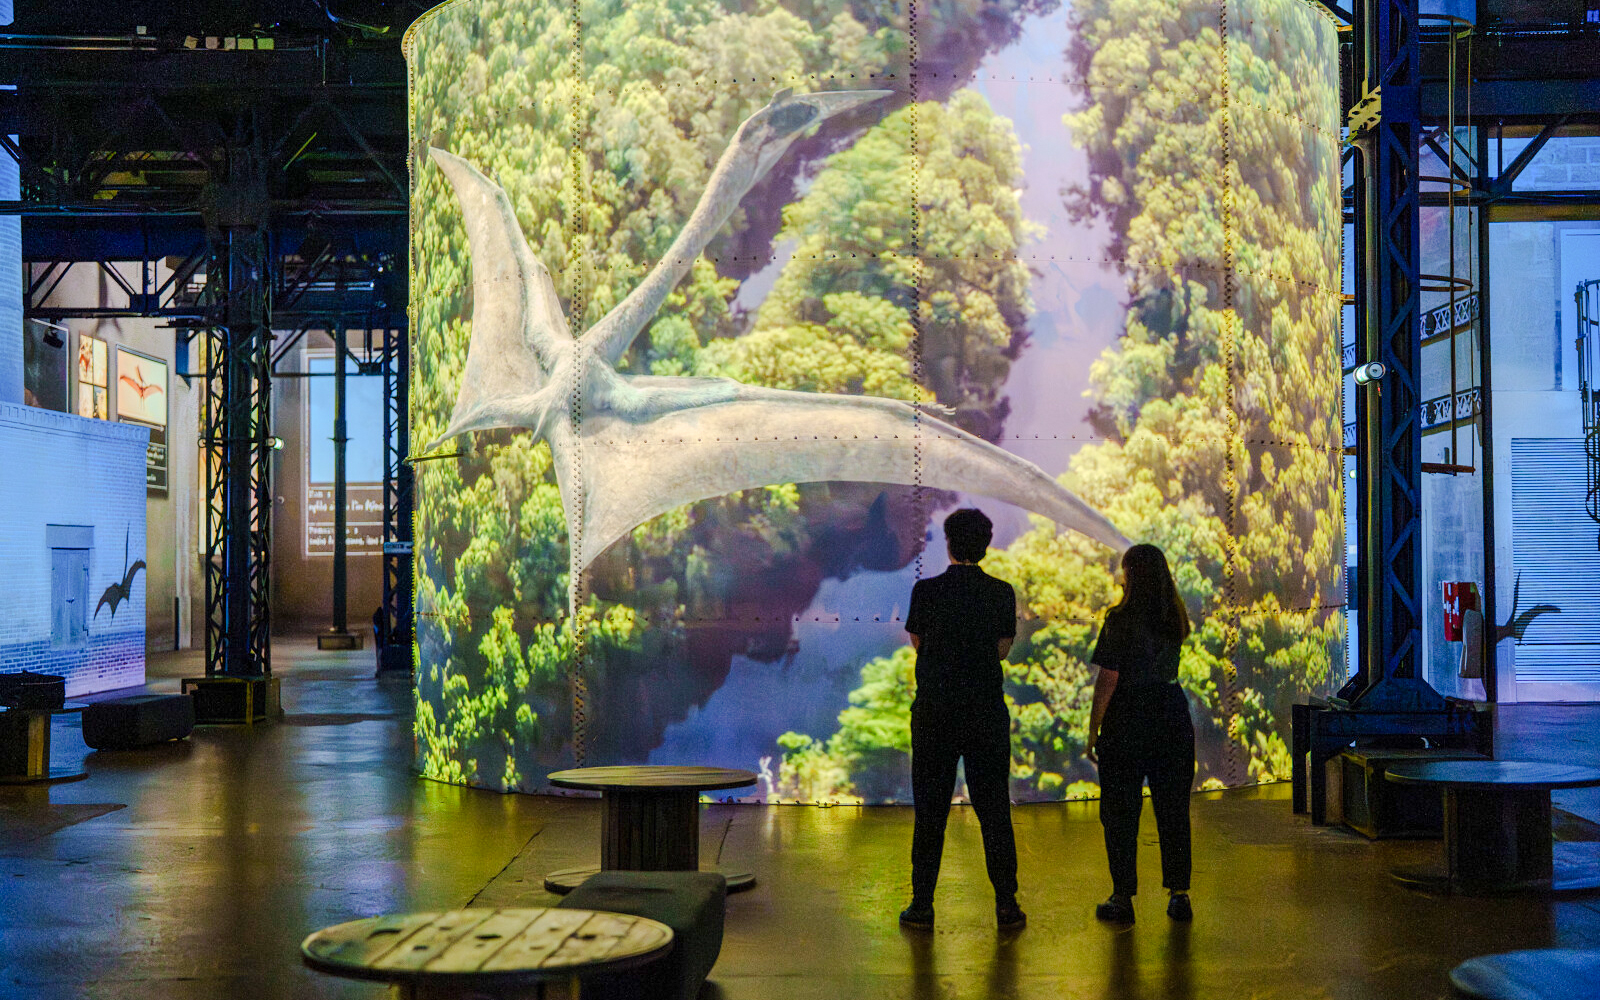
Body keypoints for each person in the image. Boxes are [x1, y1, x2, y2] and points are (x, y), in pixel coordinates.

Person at [899, 508, 1025, 931]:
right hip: (986, 713)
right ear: (986, 545)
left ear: (949, 543)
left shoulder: (926, 591)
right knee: (993, 811)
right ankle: (1006, 903)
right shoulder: (1001, 592)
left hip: (934, 713)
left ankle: (922, 905)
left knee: (930, 811)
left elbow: (918, 641)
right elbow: (1002, 649)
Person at [1085, 543, 1195, 923]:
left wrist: (1093, 727)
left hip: (1128, 717)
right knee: (1173, 810)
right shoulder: (1175, 617)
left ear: (1130, 574)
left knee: (1120, 812)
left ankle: (1122, 897)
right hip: (1171, 713)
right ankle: (1179, 894)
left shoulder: (1120, 619)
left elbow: (1109, 678)